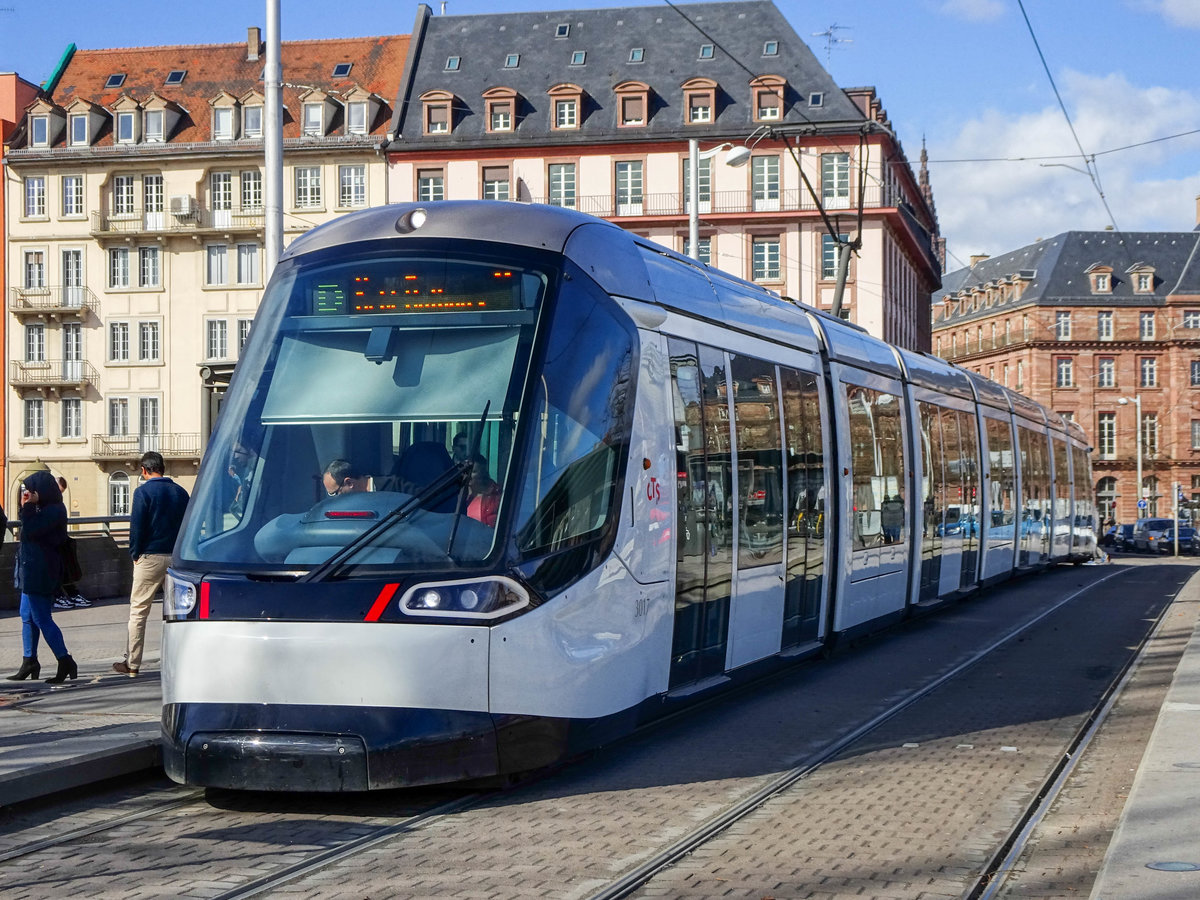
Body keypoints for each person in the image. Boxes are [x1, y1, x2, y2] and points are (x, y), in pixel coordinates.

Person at [114, 451, 189, 677]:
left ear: (144, 470)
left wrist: (135, 553)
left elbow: (136, 527)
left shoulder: (142, 492)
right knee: (177, 613)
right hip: (175, 558)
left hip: (149, 557)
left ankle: (133, 664)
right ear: (163, 468)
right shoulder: (181, 493)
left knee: (138, 611)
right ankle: (179, 662)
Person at [7, 471, 77, 683]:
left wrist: (27, 507)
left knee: (41, 617)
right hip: (31, 569)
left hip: (41, 570)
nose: (28, 493)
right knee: (26, 615)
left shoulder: (54, 510)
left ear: (41, 490)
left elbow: (30, 529)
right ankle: (29, 661)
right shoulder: (44, 508)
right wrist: (27, 506)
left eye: (31, 490)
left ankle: (65, 660)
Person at [52, 476, 90, 609]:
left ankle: (70, 594)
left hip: (60, 541)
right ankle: (58, 596)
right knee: (56, 571)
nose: (59, 494)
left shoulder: (56, 503)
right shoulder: (48, 503)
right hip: (51, 544)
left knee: (65, 569)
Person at [467, 458, 501, 527]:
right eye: (466, 471)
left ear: (482, 474)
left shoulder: (495, 496)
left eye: (473, 471)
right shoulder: (459, 495)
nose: (468, 475)